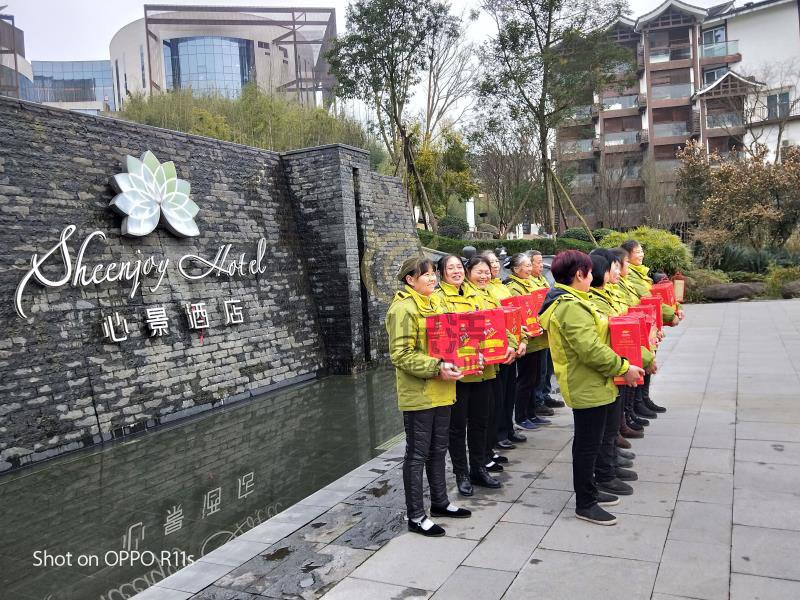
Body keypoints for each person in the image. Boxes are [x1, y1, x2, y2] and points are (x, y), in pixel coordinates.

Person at [539, 250, 645, 525]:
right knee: (587, 445)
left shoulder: (574, 301)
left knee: (593, 441)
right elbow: (591, 350)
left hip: (595, 380)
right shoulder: (570, 306)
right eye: (588, 272)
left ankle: (592, 492)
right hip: (586, 383)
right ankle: (585, 503)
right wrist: (624, 367)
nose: (592, 276)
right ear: (579, 275)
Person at [386, 256, 472, 537]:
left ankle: (440, 503)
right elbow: (400, 355)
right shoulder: (403, 309)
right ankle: (415, 515)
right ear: (410, 279)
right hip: (420, 393)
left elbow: (449, 340)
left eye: (434, 273)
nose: (433, 278)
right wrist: (437, 367)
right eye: (426, 275)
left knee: (439, 448)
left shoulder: (435, 302)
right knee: (417, 453)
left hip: (444, 389)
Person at [434, 255, 502, 496]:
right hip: (459, 375)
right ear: (441, 272)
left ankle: (479, 468)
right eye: (450, 268)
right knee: (457, 426)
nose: (456, 271)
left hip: (484, 370)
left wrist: (504, 346)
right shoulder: (437, 298)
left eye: (458, 267)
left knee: (481, 421)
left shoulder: (477, 294)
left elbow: (494, 326)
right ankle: (461, 473)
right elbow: (443, 332)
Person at [465, 254, 522, 472]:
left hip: (493, 362)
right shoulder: (468, 297)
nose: (484, 276)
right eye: (479, 272)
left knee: (492, 408)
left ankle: (488, 452)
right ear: (469, 272)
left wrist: (514, 342)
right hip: (474, 365)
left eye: (487, 272)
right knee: (477, 418)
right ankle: (477, 462)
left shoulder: (489, 294)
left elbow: (502, 325)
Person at [482, 250, 528, 450]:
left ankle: (508, 428)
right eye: (489, 263)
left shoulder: (502, 286)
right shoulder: (486, 291)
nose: (494, 266)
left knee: (509, 392)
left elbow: (514, 316)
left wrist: (520, 339)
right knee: (497, 397)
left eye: (495, 262)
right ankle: (499, 433)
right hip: (496, 348)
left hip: (512, 343)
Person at [505, 253, 549, 430]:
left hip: (537, 337)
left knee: (536, 378)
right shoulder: (513, 287)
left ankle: (531, 413)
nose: (530, 269)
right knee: (526, 379)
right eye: (526, 266)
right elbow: (518, 313)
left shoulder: (531, 282)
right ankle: (521, 416)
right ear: (516, 269)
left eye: (530, 265)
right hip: (526, 340)